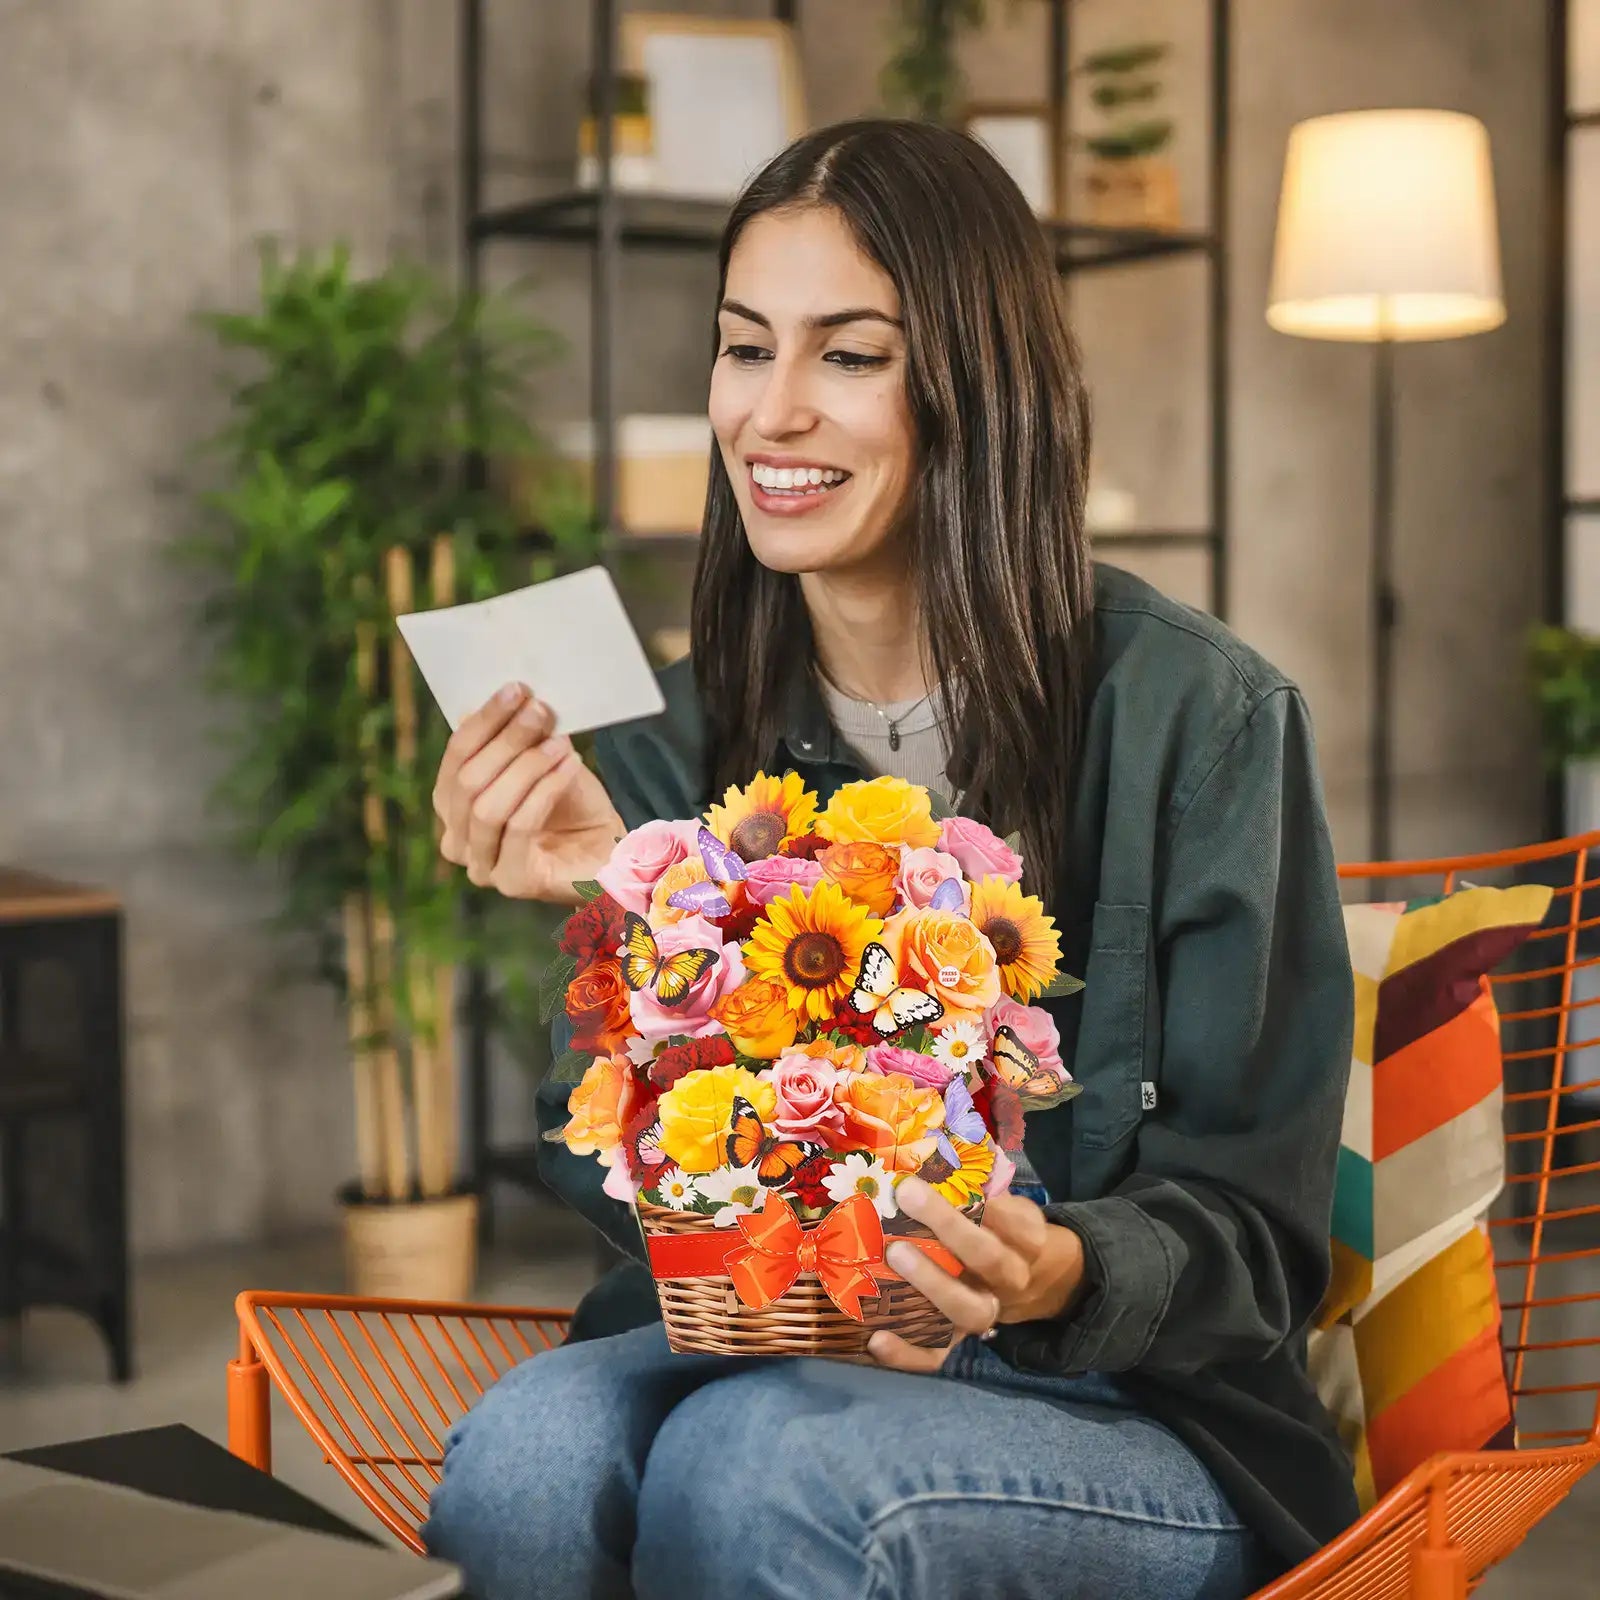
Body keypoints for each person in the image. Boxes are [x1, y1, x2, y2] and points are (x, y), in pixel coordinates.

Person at [422, 118, 1358, 1600]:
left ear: (981, 387)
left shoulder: (1201, 719)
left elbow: (1259, 1235)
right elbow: (603, 1153)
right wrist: (631, 899)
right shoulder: (665, 743)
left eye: (850, 355)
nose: (772, 412)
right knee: (528, 1458)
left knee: (758, 1469)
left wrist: (1057, 1270)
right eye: (744, 348)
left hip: (1127, 1407)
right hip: (764, 1355)